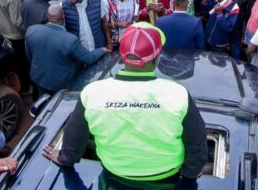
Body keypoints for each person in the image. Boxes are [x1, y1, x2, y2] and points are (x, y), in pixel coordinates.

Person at [43, 22, 207, 185]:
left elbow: (75, 137)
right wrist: (190, 175)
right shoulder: (178, 94)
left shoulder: (92, 92)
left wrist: (65, 158)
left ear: (122, 56)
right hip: (167, 176)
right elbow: (196, 143)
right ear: (157, 58)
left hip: (113, 173)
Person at [26, 4, 108, 98]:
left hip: (39, 78)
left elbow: (29, 54)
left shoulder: (32, 30)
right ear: (63, 18)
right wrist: (103, 49)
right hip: (60, 84)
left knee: (41, 104)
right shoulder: (70, 40)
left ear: (47, 16)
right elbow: (88, 58)